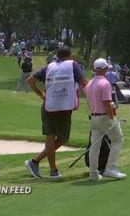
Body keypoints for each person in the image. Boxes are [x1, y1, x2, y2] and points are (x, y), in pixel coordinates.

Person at [25, 46, 87, 179]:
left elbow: (30, 80)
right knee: (63, 138)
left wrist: (41, 94)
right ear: (70, 56)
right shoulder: (73, 65)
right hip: (64, 107)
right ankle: (48, 169)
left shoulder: (49, 67)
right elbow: (84, 83)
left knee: (50, 137)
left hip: (48, 106)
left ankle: (38, 163)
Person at [84, 58, 126, 181]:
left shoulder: (89, 84)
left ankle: (93, 172)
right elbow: (107, 102)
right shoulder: (105, 83)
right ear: (104, 69)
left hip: (93, 117)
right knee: (118, 140)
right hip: (104, 116)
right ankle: (110, 168)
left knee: (95, 145)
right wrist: (112, 117)